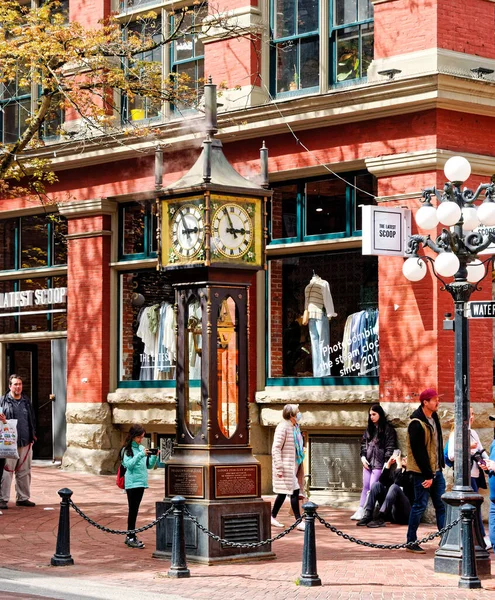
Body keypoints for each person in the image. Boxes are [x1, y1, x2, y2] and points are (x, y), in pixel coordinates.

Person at [405, 388, 446, 554]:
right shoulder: (416, 424)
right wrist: (428, 475)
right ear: (425, 402)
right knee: (419, 506)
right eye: (435, 399)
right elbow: (419, 452)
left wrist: (438, 468)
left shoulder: (434, 418)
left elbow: (437, 445)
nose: (438, 402)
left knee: (441, 506)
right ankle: (410, 541)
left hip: (437, 471)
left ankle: (445, 540)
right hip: (422, 473)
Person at [447, 407, 490, 546]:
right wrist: (468, 446)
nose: (471, 417)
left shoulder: (474, 433)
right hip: (465, 476)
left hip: (475, 473)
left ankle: (478, 539)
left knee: (475, 506)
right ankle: (479, 538)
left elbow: (481, 451)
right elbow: (451, 456)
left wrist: (487, 463)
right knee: (471, 508)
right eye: (468, 414)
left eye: (473, 414)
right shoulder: (456, 434)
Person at [351, 404, 397, 521]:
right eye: (370, 415)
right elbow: (363, 445)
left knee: (372, 487)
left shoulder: (388, 430)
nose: (371, 417)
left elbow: (390, 447)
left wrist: (386, 464)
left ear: (380, 414)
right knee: (365, 487)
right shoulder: (369, 429)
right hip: (368, 463)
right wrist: (362, 457)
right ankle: (360, 509)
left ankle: (368, 512)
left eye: (374, 414)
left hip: (379, 464)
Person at [0, 374, 36, 509]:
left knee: (25, 471)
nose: (18, 387)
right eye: (15, 384)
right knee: (7, 471)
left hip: (25, 441)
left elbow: (31, 419)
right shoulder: (3, 401)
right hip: (9, 443)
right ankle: (3, 499)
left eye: (20, 384)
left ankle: (23, 498)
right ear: (10, 386)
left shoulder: (26, 401)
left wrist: (33, 435)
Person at [121, 424, 157, 549]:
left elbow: (149, 466)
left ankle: (130, 535)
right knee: (133, 510)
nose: (141, 440)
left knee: (135, 510)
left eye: (142, 437)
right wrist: (141, 454)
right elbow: (128, 465)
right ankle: (130, 536)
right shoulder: (127, 450)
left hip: (141, 483)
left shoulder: (141, 448)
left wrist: (154, 456)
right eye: (139, 437)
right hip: (132, 484)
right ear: (133, 436)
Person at [271, 403, 306, 531]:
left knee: (282, 493)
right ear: (291, 415)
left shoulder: (295, 427)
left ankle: (272, 516)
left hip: (294, 465)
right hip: (285, 467)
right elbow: (276, 448)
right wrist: (279, 467)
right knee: (294, 491)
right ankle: (298, 520)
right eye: (297, 412)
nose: (299, 414)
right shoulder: (282, 427)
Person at [357, 452, 413, 527]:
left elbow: (397, 484)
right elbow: (382, 481)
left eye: (407, 458)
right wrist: (388, 464)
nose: (404, 458)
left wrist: (399, 465)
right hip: (392, 513)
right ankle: (368, 515)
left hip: (405, 515)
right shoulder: (398, 473)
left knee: (394, 487)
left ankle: (381, 517)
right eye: (405, 457)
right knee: (376, 485)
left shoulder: (412, 476)